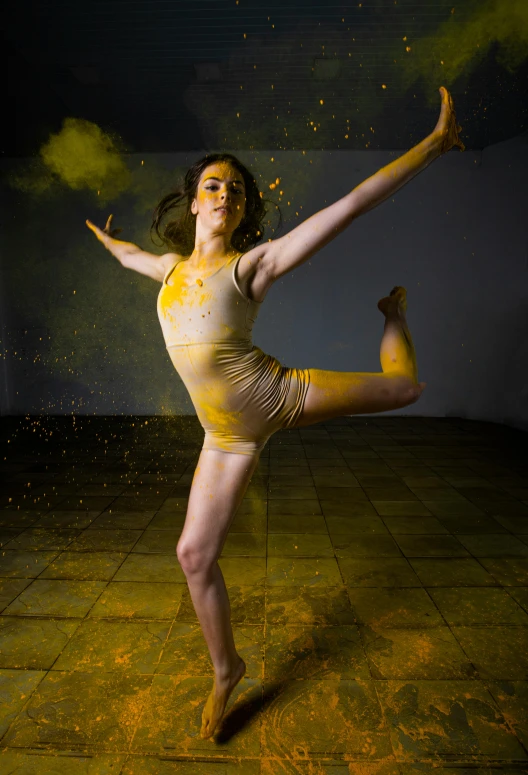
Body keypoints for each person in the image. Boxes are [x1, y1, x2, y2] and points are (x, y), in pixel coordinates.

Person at [86, 85, 463, 740]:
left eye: (235, 189)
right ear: (194, 197)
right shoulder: (171, 270)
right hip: (224, 438)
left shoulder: (252, 266)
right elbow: (132, 257)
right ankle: (226, 667)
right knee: (193, 554)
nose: (224, 195)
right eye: (213, 185)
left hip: (278, 396)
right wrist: (108, 244)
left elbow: (350, 206)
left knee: (407, 389)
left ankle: (392, 313)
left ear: (242, 209)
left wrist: (432, 145)